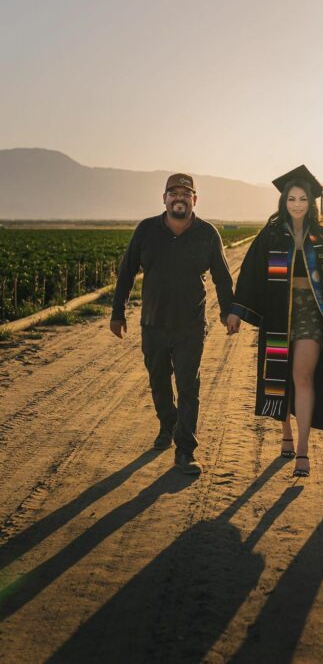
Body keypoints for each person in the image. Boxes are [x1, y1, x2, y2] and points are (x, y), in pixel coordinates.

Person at [227, 165, 323, 477]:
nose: (297, 204)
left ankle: (302, 449)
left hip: (312, 314)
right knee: (280, 376)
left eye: (302, 199)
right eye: (291, 199)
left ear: (311, 202)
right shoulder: (271, 235)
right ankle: (285, 431)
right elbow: (250, 274)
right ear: (284, 201)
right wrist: (237, 310)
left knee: (303, 377)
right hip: (278, 315)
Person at [110, 173, 234, 475]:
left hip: (190, 326)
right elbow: (126, 271)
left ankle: (185, 451)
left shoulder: (207, 233)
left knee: (189, 385)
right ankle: (168, 424)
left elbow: (222, 275)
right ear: (164, 198)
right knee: (159, 380)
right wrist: (118, 312)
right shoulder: (147, 230)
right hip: (153, 323)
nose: (179, 197)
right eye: (173, 192)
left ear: (195, 199)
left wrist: (229, 311)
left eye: (186, 193)